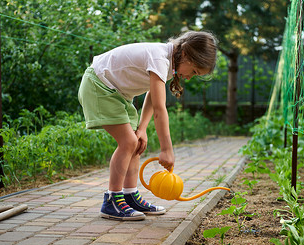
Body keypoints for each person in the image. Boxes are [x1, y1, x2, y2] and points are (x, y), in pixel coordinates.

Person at [78, 31, 218, 221]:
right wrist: (167, 150)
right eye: (193, 71)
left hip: (117, 94)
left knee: (135, 142)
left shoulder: (169, 63)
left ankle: (129, 196)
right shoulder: (160, 58)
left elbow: (152, 98)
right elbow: (160, 109)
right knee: (127, 142)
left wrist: (142, 129)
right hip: (99, 85)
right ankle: (111, 200)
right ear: (186, 55)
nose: (190, 77)